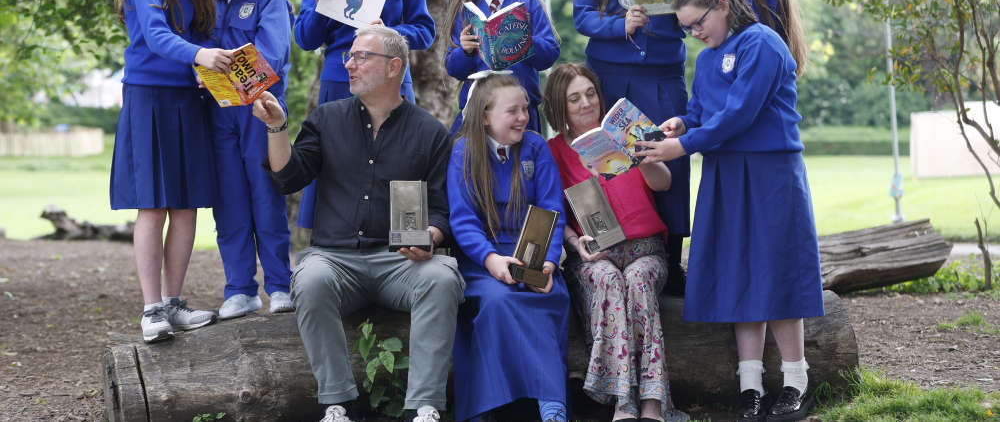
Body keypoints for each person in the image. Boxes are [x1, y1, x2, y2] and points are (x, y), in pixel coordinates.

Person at [635, 0, 824, 422]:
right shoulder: (706, 60)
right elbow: (703, 112)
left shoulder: (763, 44)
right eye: (686, 28)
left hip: (770, 171)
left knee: (776, 269)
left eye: (698, 23)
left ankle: (796, 380)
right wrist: (683, 123)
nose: (694, 33)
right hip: (725, 174)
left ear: (723, 5)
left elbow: (740, 114)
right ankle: (750, 385)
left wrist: (682, 146)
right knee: (740, 270)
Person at [252, 26, 462, 422]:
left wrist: (429, 237)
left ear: (394, 67)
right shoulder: (326, 119)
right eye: (349, 56)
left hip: (401, 263)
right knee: (309, 279)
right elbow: (287, 178)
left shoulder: (431, 133)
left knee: (443, 277)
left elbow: (442, 211)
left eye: (361, 56)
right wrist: (277, 126)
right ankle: (338, 404)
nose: (349, 64)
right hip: (335, 261)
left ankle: (423, 407)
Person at [572, 0, 699, 293]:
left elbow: (696, 17)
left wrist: (673, 10)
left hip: (663, 78)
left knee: (669, 161)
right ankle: (612, 250)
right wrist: (618, 24)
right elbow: (581, 16)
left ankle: (672, 263)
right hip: (611, 76)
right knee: (611, 164)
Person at [110, 0, 230, 344]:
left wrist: (205, 65)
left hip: (187, 99)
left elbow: (201, 33)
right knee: (153, 204)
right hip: (149, 99)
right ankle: (151, 310)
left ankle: (174, 303)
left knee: (185, 204)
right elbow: (157, 36)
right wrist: (200, 55)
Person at [543, 63, 688, 422]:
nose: (586, 103)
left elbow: (664, 183)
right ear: (560, 106)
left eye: (590, 93)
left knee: (638, 280)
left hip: (645, 249)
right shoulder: (553, 151)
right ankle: (623, 402)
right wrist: (575, 243)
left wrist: (640, 156)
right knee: (607, 279)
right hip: (595, 256)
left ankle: (653, 403)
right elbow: (552, 212)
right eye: (574, 98)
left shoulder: (626, 132)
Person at [294, 0, 436, 230]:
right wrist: (319, 4)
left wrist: (392, 32)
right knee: (337, 164)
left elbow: (425, 30)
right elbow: (305, 39)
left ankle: (404, 241)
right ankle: (333, 245)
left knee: (400, 161)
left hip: (391, 79)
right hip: (341, 80)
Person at [447, 72, 570, 422]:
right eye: (512, 111)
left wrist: (547, 263)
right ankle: (491, 408)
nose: (523, 117)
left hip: (534, 254)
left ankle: (551, 404)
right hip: (482, 260)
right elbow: (463, 220)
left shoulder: (536, 147)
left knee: (545, 297)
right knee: (498, 301)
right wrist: (490, 260)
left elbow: (551, 209)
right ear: (485, 116)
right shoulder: (463, 152)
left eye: (526, 108)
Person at [206, 0, 295, 319]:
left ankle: (279, 285)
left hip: (261, 111)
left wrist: (220, 72)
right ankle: (240, 289)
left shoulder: (273, 1)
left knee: (265, 196)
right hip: (217, 111)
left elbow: (270, 58)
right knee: (228, 200)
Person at [443, 0, 560, 134]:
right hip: (479, 112)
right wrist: (465, 51)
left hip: (521, 110)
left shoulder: (528, 3)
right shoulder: (465, 12)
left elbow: (549, 55)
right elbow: (453, 70)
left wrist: (526, 42)